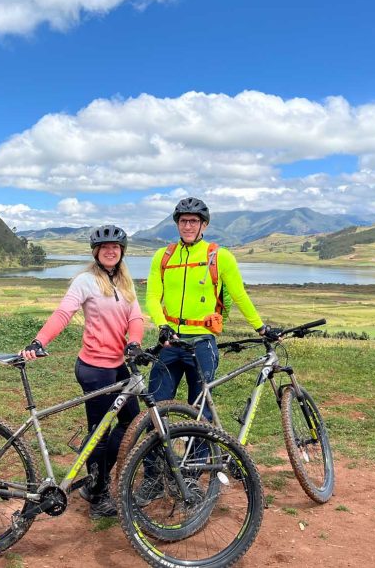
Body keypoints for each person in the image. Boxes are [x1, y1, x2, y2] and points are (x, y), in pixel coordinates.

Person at [21, 224, 144, 519]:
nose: (111, 251)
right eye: (105, 248)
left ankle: (96, 478)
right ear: (97, 253)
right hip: (93, 368)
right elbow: (64, 312)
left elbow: (136, 316)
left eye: (115, 248)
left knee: (131, 420)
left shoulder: (125, 284)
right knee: (99, 433)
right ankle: (97, 492)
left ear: (122, 252)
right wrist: (40, 341)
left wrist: (135, 343)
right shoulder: (86, 281)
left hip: (118, 365)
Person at [146, 197, 271, 420]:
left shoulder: (220, 257)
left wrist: (260, 328)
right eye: (183, 221)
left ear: (204, 224)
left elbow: (239, 295)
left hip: (202, 342)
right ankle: (153, 455)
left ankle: (201, 455)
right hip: (170, 340)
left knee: (201, 409)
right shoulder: (163, 256)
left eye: (194, 221)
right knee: (156, 405)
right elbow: (152, 297)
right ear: (177, 223)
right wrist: (162, 325)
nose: (188, 226)